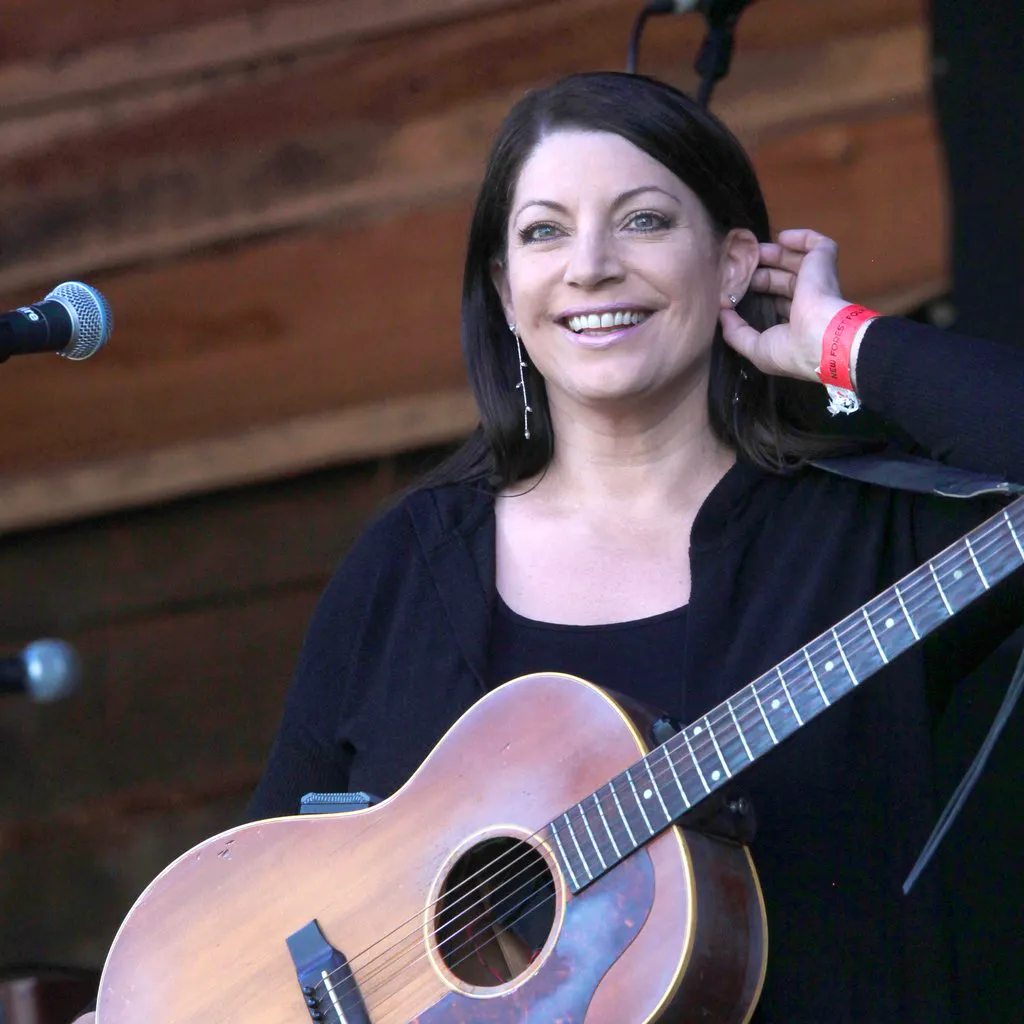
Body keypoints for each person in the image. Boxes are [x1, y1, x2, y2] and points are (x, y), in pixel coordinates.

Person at [75, 71, 1024, 1023]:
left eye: (644, 221)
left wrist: (841, 340)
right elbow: (246, 911)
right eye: (544, 232)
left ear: (733, 264)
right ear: (505, 288)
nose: (591, 266)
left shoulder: (867, 538)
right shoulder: (411, 565)